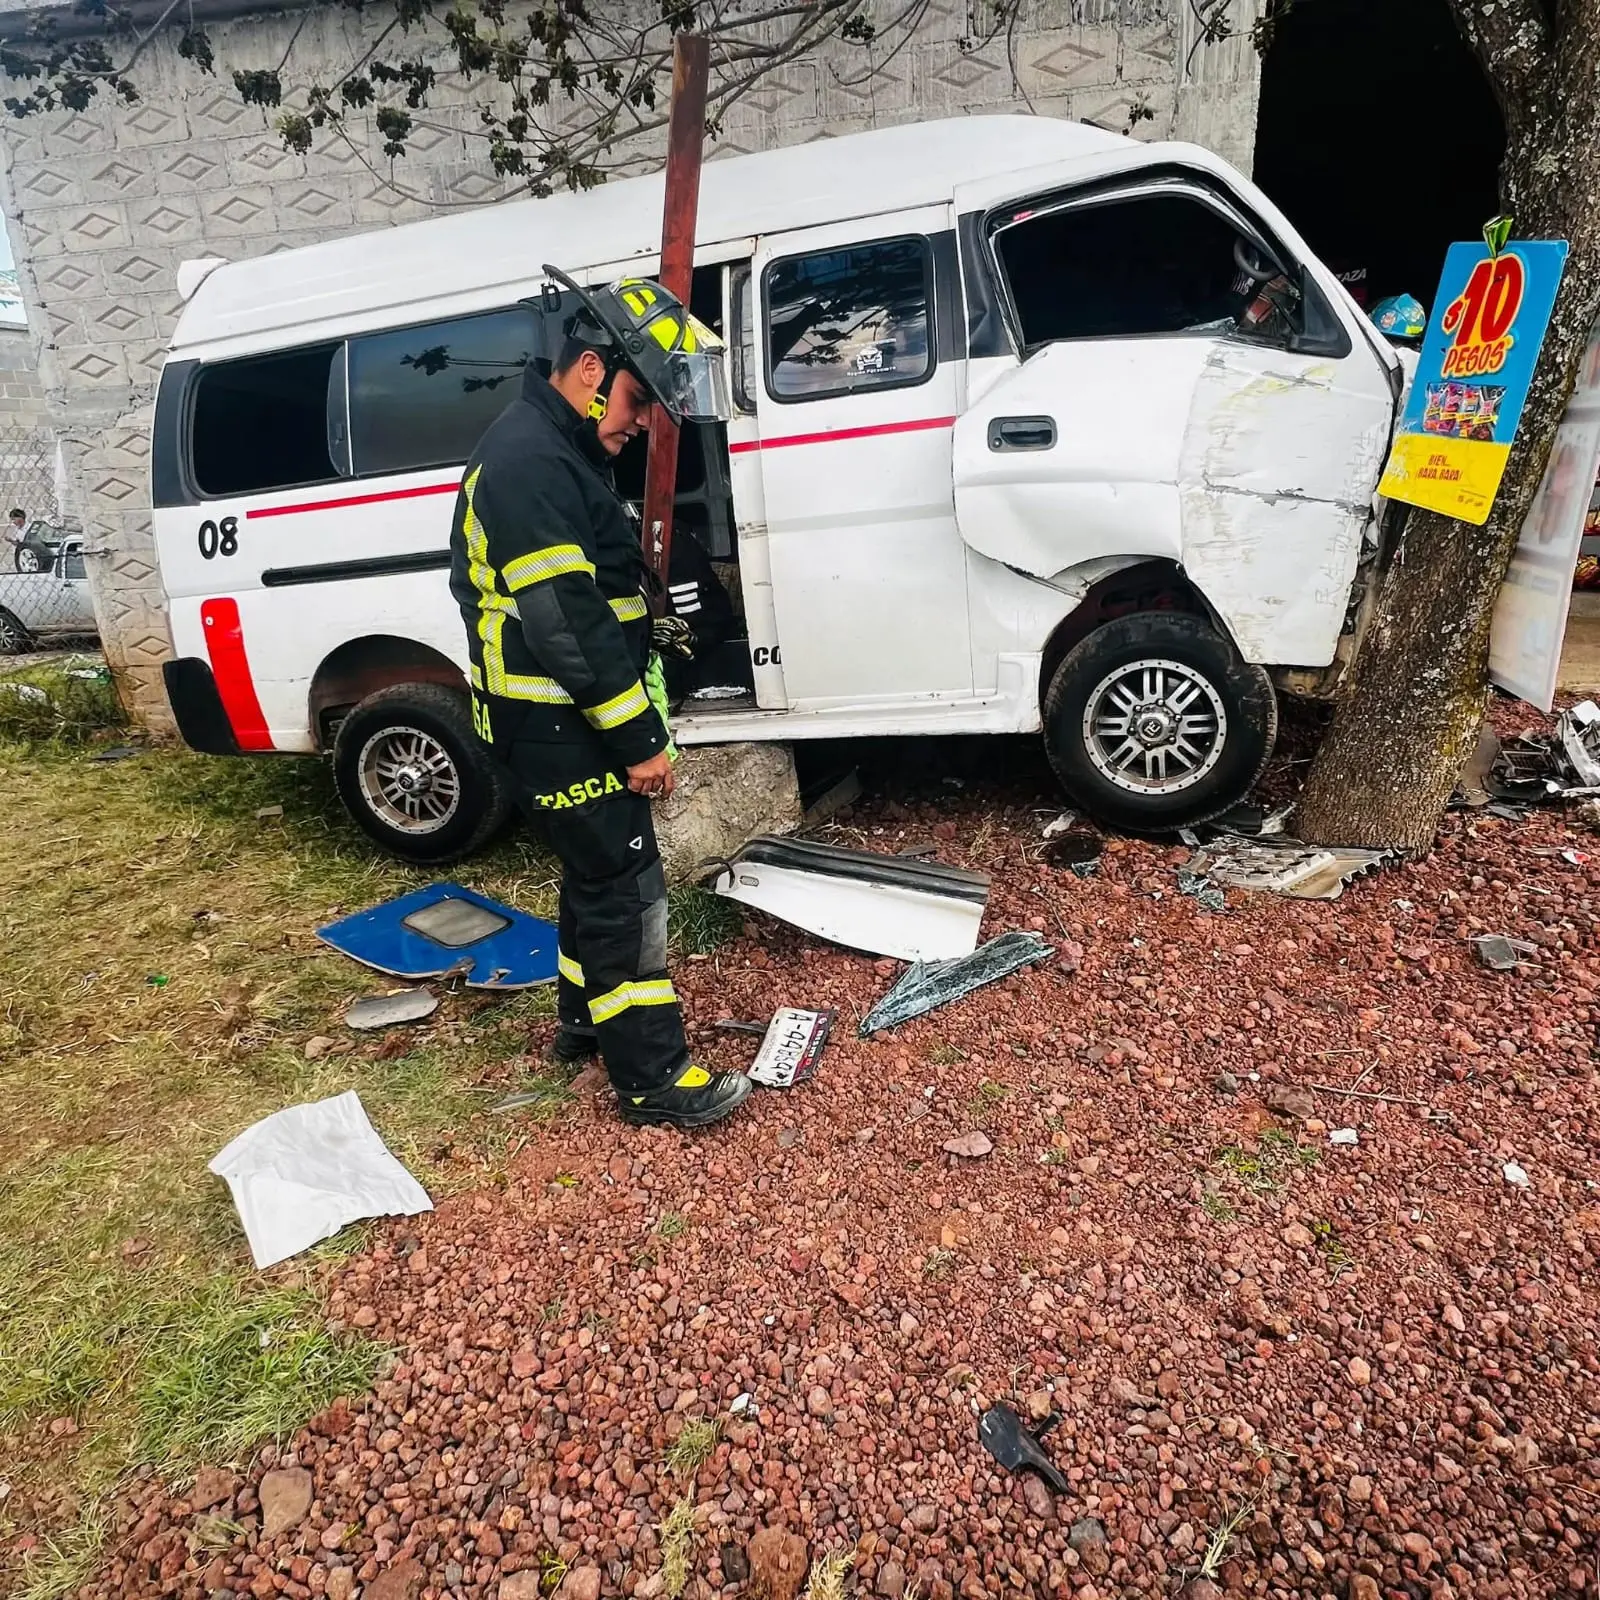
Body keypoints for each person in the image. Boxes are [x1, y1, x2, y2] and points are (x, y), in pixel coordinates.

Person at [448, 270, 751, 1130]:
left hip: (558, 721)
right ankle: (654, 1077)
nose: (643, 422)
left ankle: (584, 1021)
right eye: (635, 401)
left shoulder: (555, 452)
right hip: (560, 725)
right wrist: (637, 741)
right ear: (588, 371)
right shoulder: (529, 463)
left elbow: (595, 603)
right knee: (626, 887)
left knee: (596, 872)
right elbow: (565, 625)